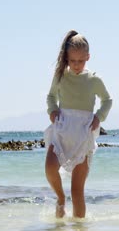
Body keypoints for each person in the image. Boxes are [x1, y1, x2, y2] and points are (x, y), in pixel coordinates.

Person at [44, 30, 112, 218]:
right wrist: (53, 110)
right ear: (66, 58)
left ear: (88, 57)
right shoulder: (60, 76)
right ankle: (60, 198)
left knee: (77, 191)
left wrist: (99, 117)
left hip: (83, 134)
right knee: (50, 168)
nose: (76, 65)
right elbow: (51, 96)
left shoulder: (93, 79)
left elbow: (107, 100)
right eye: (72, 61)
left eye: (80, 61)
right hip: (62, 129)